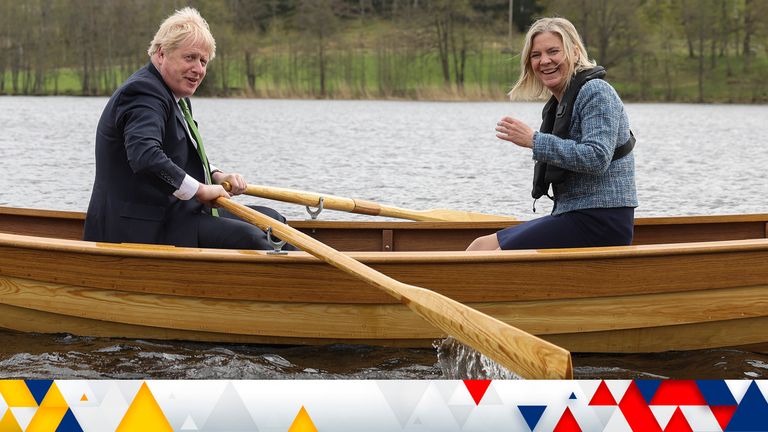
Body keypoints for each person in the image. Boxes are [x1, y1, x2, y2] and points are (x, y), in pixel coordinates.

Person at [83, 7, 292, 250]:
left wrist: (217, 175)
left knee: (274, 222)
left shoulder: (177, 97)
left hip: (175, 214)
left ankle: (312, 281)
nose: (199, 69)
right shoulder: (143, 93)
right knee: (256, 238)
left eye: (203, 61)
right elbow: (145, 157)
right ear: (161, 54)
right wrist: (201, 190)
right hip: (140, 228)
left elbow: (179, 152)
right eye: (190, 57)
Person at [467, 17, 637, 251]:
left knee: (498, 255)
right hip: (573, 214)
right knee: (479, 247)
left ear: (575, 53)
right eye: (536, 55)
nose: (544, 61)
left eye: (553, 51)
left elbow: (597, 158)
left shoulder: (596, 91)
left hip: (602, 220)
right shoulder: (559, 103)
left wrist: (534, 140)